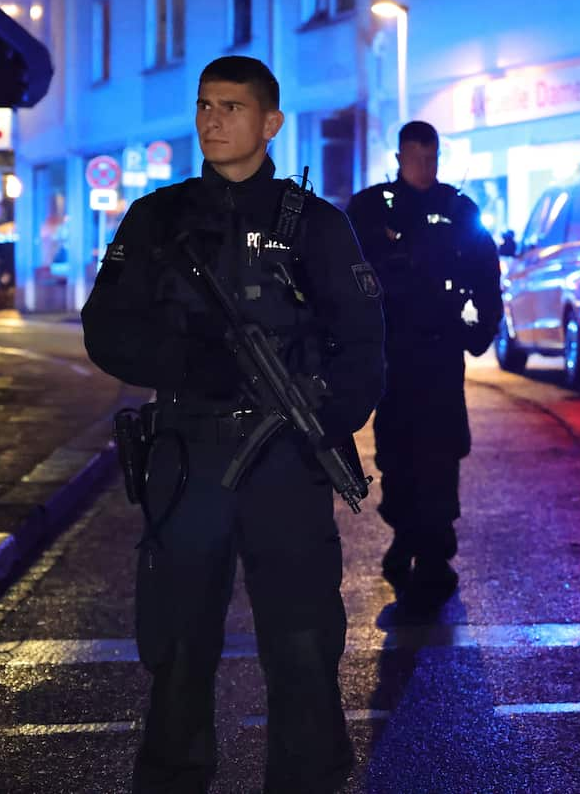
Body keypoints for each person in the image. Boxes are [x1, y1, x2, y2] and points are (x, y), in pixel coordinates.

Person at [81, 56, 385, 793]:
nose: (212, 120)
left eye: (231, 107)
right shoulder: (159, 218)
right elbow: (106, 330)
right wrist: (192, 363)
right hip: (191, 454)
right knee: (179, 642)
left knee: (304, 642)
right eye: (204, 106)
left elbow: (365, 340)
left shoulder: (315, 225)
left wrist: (323, 425)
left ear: (270, 122)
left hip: (286, 460)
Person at [346, 120, 502, 611]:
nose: (424, 167)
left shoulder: (458, 209)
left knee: (440, 456)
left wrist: (478, 332)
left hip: (438, 354)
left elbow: (486, 274)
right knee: (395, 455)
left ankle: (434, 555)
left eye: (431, 159)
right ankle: (405, 534)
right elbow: (344, 275)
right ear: (400, 158)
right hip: (391, 356)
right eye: (416, 158)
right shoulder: (371, 210)